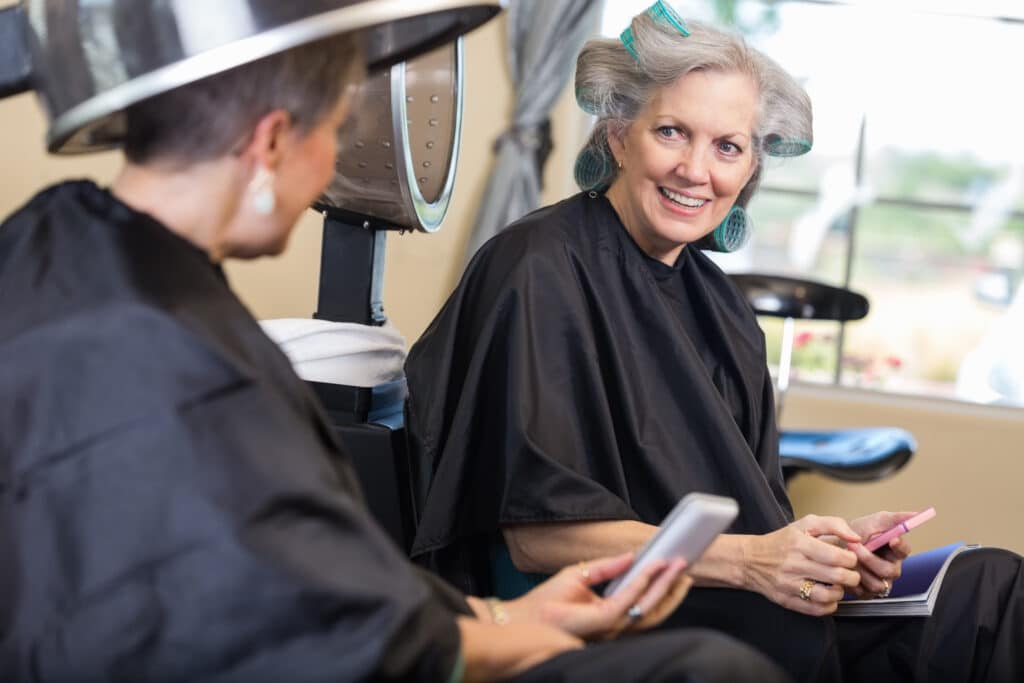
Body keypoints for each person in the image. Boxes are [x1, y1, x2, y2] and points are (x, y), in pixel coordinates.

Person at [0, 10, 794, 683]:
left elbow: (307, 565)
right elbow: (259, 613)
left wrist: (493, 611)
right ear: (275, 141)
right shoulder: (152, 350)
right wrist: (480, 637)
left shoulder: (70, 259)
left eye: (729, 147)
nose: (329, 173)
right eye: (336, 135)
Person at [405, 7, 1024, 682]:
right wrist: (756, 560)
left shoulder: (725, 311)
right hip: (627, 623)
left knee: (995, 585)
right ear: (618, 134)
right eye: (671, 131)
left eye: (727, 146)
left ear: (753, 163)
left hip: (748, 603)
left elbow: (755, 514)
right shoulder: (537, 267)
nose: (696, 171)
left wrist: (830, 551)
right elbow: (534, 535)